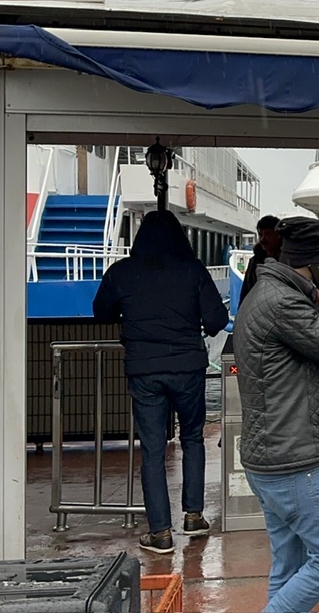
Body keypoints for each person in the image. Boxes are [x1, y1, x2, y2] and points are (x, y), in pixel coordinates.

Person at [232, 216, 319, 612]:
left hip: (269, 455)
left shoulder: (265, 292)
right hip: (292, 458)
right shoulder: (283, 302)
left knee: (289, 564)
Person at [92, 210, 229, 555]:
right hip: (188, 368)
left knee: (152, 449)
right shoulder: (194, 270)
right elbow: (217, 320)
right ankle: (194, 515)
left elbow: (101, 312)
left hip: (144, 371)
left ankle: (160, 532)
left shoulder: (123, 271)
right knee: (193, 437)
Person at [240, 215, 281, 301]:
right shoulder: (254, 261)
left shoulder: (287, 260)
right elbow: (246, 291)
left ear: (278, 235)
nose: (263, 238)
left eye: (268, 234)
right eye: (260, 234)